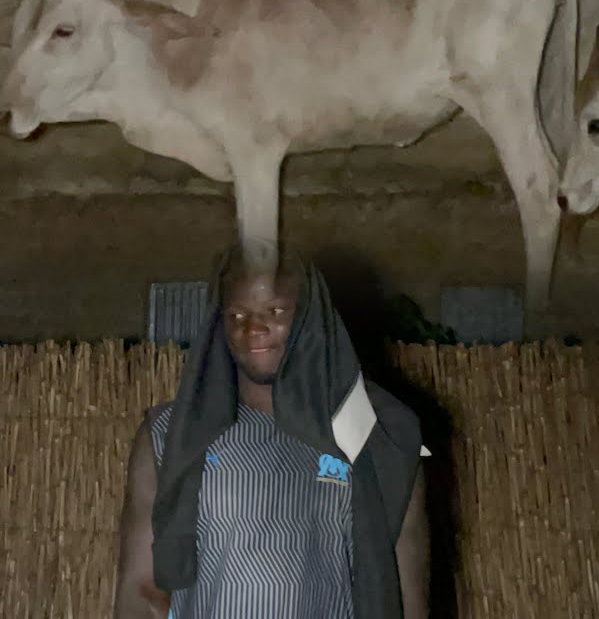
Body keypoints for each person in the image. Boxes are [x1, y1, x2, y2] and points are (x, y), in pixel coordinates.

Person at [112, 248, 430, 619]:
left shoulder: (378, 438)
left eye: (275, 312)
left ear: (310, 314)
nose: (253, 328)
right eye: (237, 315)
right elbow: (140, 590)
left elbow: (406, 597)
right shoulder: (171, 437)